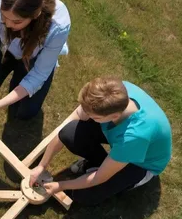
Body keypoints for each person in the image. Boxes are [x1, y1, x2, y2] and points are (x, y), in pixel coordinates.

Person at [29, 77, 172, 205]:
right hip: (123, 141)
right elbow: (67, 126)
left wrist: (61, 185)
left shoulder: (134, 137)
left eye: (93, 117)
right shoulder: (114, 92)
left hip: (142, 164)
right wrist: (42, 165)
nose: (86, 115)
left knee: (85, 195)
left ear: (114, 116)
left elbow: (98, 178)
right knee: (69, 133)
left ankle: (123, 178)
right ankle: (104, 163)